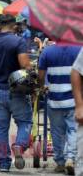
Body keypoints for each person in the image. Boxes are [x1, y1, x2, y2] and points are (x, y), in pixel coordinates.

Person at [0, 14, 32, 172]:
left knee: (1, 128)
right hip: (16, 91)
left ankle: (3, 163)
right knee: (25, 122)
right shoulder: (18, 41)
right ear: (14, 25)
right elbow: (25, 65)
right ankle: (18, 146)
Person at [39, 44, 80, 175]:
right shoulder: (79, 49)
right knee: (73, 129)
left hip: (54, 100)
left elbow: (41, 76)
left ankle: (60, 163)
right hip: (74, 99)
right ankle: (71, 158)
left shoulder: (47, 51)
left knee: (57, 132)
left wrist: (42, 86)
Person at [71, 49, 83, 176]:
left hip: (56, 99)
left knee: (61, 131)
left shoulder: (48, 52)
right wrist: (79, 105)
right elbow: (76, 71)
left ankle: (64, 159)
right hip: (71, 100)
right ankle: (68, 157)